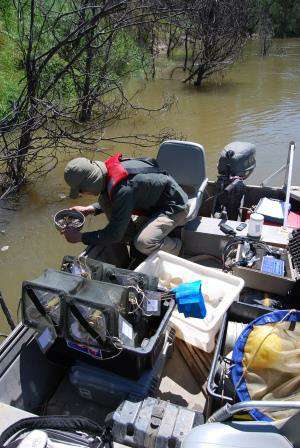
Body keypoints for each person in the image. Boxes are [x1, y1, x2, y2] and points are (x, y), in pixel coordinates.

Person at [62, 153, 189, 259]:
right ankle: (129, 234)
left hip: (174, 206)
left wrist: (80, 237)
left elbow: (114, 234)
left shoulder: (124, 190)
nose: (81, 194)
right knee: (104, 200)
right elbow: (115, 196)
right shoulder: (109, 173)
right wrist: (91, 209)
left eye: (80, 190)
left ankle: (177, 248)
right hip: (154, 202)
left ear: (90, 184)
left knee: (143, 243)